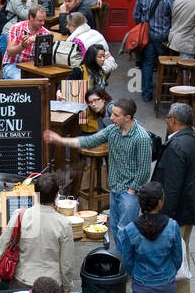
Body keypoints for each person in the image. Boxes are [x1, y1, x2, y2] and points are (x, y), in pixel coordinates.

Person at [45, 95, 152, 244]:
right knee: (115, 228)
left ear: (127, 117)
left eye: (116, 115)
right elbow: (90, 140)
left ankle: (125, 265)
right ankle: (119, 262)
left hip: (129, 192)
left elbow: (144, 169)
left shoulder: (141, 138)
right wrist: (60, 140)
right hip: (114, 188)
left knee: (125, 231)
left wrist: (132, 190)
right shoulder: (113, 130)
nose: (111, 117)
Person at [116, 181, 183, 293]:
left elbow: (127, 260)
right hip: (166, 284)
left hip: (142, 284)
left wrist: (136, 275)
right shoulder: (172, 226)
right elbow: (178, 258)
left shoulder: (130, 230)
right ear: (160, 202)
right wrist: (169, 273)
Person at [151, 102, 195, 293]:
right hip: (190, 209)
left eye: (167, 119)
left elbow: (171, 187)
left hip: (175, 214)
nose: (166, 123)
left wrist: (163, 218)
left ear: (173, 120)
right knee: (183, 255)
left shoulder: (175, 147)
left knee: (167, 258)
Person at [0, 174, 74, 293]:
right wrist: (67, 286)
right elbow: (66, 263)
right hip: (52, 284)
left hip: (22, 281)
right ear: (56, 196)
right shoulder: (64, 224)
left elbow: (3, 245)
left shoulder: (20, 215)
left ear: (35, 194)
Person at [132, 0, 173, 100]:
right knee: (165, 63)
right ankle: (164, 93)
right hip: (163, 36)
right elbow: (173, 17)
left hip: (146, 34)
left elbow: (136, 16)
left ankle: (146, 94)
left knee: (147, 63)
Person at [1, 2, 51, 80]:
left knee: (47, 82)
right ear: (31, 17)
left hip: (33, 67)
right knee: (21, 81)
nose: (43, 23)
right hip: (14, 64)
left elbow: (46, 58)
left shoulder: (45, 33)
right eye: (40, 20)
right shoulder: (16, 28)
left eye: (44, 20)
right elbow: (9, 51)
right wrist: (22, 45)